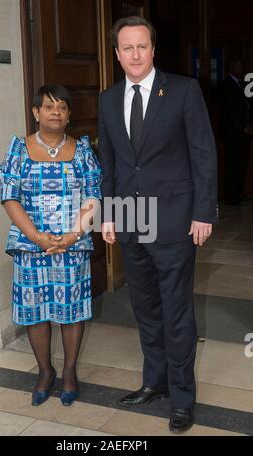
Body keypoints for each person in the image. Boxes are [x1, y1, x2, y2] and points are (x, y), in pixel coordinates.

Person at [98, 16, 217, 433]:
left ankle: (182, 398)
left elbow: (203, 153)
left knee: (176, 310)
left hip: (174, 219)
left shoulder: (183, 90)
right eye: (126, 48)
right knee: (146, 308)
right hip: (131, 218)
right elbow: (108, 163)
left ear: (153, 50)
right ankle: (155, 383)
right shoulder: (108, 99)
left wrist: (204, 211)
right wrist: (108, 213)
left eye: (142, 46)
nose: (135, 54)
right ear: (117, 54)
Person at [0, 84, 101, 407]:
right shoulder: (18, 150)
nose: (55, 112)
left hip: (72, 243)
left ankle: (69, 372)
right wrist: (38, 238)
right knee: (35, 312)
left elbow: (93, 197)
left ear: (69, 115)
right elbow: (9, 197)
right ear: (35, 113)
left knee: (71, 312)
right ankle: (45, 372)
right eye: (48, 107)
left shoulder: (83, 151)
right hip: (31, 246)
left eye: (62, 107)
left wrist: (72, 236)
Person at [221, 59, 252, 205]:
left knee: (242, 163)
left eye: (242, 66)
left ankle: (239, 193)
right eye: (238, 66)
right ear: (232, 68)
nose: (241, 69)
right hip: (233, 132)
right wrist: (241, 126)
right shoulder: (227, 84)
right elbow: (230, 109)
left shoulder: (241, 84)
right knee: (233, 164)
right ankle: (232, 196)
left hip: (242, 131)